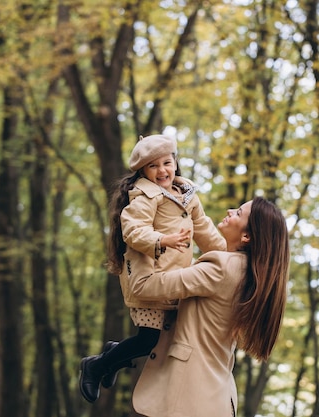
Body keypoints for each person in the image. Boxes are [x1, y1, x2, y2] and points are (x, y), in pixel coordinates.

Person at [79, 134, 226, 403]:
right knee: (148, 340)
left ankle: (113, 357)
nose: (162, 171)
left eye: (167, 163)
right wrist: (162, 239)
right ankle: (96, 365)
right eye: (153, 166)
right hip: (148, 276)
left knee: (159, 341)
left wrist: (229, 254)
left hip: (172, 281)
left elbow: (204, 229)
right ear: (143, 172)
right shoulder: (144, 196)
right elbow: (133, 230)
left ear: (175, 163)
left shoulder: (187, 195)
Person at [128, 196, 290, 417]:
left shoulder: (223, 268)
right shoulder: (249, 275)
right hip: (217, 399)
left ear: (247, 236)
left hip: (189, 400)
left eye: (239, 213)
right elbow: (209, 236)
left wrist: (139, 239)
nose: (230, 210)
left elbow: (145, 287)